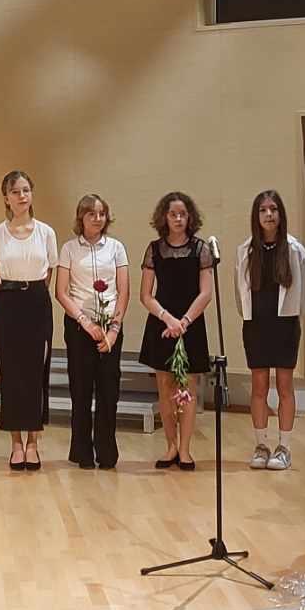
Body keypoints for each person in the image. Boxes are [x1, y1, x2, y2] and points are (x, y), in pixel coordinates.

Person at [0, 170, 57, 471]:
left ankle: (33, 443)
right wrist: (7, 299)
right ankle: (16, 442)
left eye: (26, 190)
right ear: (6, 198)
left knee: (36, 372)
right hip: (9, 304)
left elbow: (50, 271)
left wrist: (32, 293)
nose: (21, 196)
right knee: (12, 374)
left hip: (37, 303)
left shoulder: (46, 232)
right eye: (15, 191)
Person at [234, 190, 305, 471]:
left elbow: (304, 295)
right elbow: (239, 292)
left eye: (273, 209)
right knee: (259, 386)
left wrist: (292, 317)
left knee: (285, 386)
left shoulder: (294, 249)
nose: (268, 214)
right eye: (263, 210)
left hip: (285, 325)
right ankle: (261, 445)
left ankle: (284, 447)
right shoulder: (245, 251)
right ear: (256, 216)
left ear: (281, 214)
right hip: (255, 325)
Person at [139, 192, 212, 471]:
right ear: (164, 217)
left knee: (188, 388)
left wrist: (184, 321)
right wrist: (169, 319)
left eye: (183, 214)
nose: (178, 219)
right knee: (166, 387)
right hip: (162, 324)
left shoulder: (200, 249)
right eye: (173, 214)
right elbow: (146, 295)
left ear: (190, 217)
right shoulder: (154, 249)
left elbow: (206, 293)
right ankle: (170, 446)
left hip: (191, 324)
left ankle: (185, 450)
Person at [55, 194, 129, 470]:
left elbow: (123, 291)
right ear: (81, 218)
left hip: (110, 327)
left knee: (109, 390)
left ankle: (107, 451)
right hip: (79, 327)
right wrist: (86, 323)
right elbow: (61, 292)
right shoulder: (69, 249)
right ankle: (82, 451)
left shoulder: (116, 248)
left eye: (101, 214)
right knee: (81, 390)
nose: (97, 218)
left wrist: (113, 330)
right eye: (91, 214)